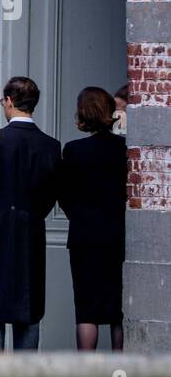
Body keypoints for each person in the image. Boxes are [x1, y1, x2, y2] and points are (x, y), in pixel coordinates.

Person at [0, 76, 61, 352]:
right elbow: (52, 193)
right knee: (30, 306)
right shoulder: (50, 145)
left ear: (10, 102)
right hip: (31, 230)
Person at [60, 87, 127, 351]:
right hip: (117, 234)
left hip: (84, 237)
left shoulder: (74, 150)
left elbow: (63, 195)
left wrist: (80, 216)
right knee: (117, 311)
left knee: (86, 310)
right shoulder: (123, 149)